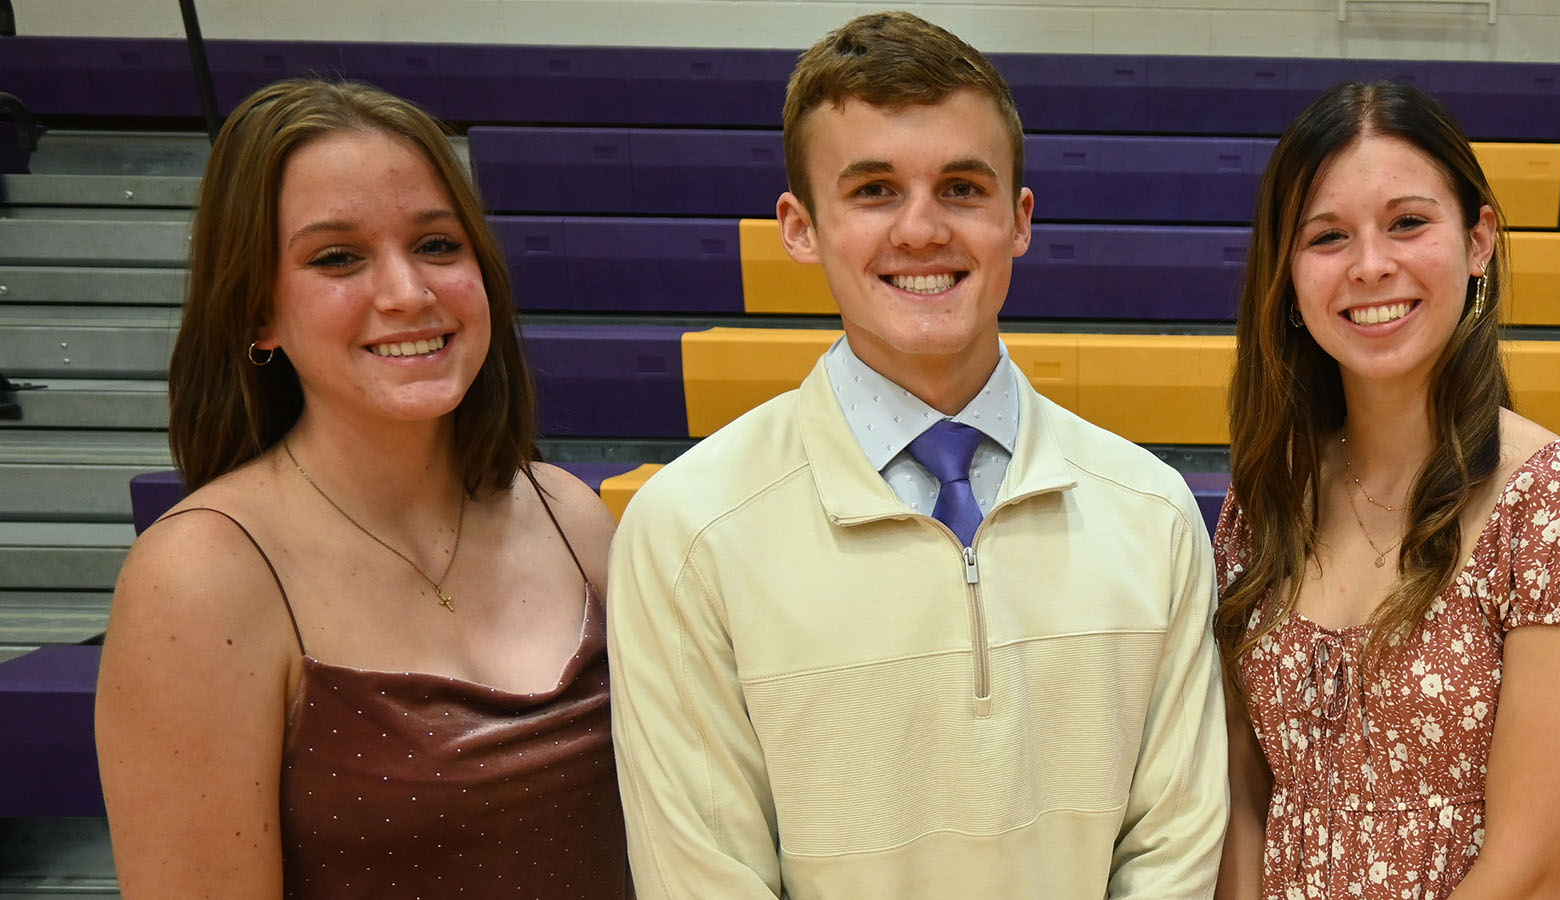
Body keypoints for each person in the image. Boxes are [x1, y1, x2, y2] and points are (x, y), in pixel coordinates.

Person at [605, 11, 1227, 898]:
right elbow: (702, 875)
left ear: (1019, 220)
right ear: (800, 227)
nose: (923, 230)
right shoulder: (690, 529)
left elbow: (1175, 848)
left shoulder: (1150, 510)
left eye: (962, 188)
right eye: (874, 191)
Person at [94, 78, 627, 898]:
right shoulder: (202, 576)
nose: (408, 294)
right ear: (255, 313)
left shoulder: (567, 513)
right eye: (337, 257)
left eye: (438, 245)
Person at [1212, 80, 1560, 900]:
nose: (1371, 264)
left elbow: (1535, 860)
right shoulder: (1265, 497)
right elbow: (1244, 801)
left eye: (1408, 223)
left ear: (1479, 239)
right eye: (1327, 236)